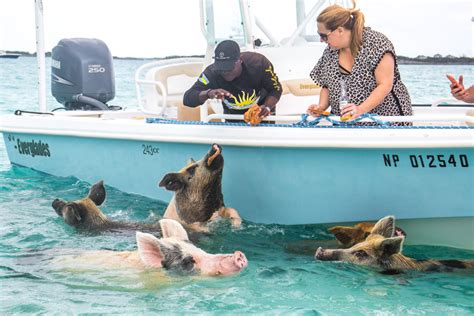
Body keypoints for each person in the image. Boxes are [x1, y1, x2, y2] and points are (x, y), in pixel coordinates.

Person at [307, 2, 413, 125]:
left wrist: (360, 110)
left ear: (340, 30)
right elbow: (326, 85)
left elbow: (385, 85)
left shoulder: (377, 43)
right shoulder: (330, 51)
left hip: (384, 120)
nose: (321, 40)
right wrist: (321, 107)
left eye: (323, 36)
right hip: (346, 123)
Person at [183, 40, 282, 119]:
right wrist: (208, 93)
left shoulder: (259, 63)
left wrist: (267, 106)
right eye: (221, 68)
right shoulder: (211, 73)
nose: (225, 72)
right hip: (232, 117)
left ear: (240, 60)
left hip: (261, 114)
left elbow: (276, 89)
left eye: (229, 67)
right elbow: (187, 98)